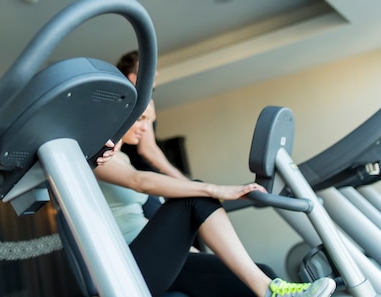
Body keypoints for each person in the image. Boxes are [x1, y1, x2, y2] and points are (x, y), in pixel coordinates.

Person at [94, 102, 336, 297]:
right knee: (195, 196)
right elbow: (139, 181)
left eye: (150, 120)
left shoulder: (122, 157)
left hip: (152, 256)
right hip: (127, 267)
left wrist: (185, 248)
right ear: (119, 116)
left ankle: (270, 289)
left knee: (262, 273)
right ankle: (269, 291)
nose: (146, 128)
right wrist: (216, 189)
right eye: (140, 119)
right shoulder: (94, 157)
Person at [116, 50, 187, 180]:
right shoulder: (142, 101)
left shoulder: (125, 100)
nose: (156, 73)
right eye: (150, 69)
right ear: (133, 78)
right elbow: (147, 149)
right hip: (142, 173)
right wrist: (183, 181)